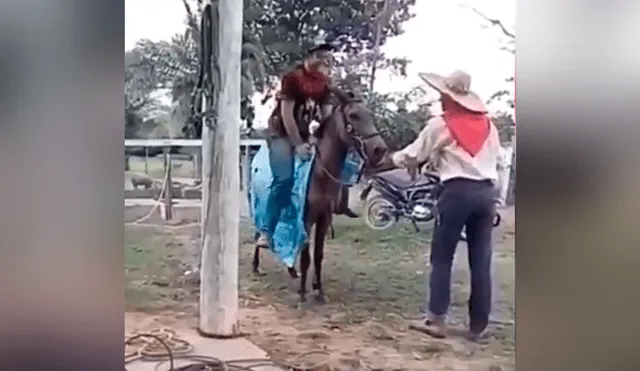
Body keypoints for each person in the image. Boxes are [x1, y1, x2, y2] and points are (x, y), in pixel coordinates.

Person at [391, 70, 501, 341]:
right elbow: (496, 160)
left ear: (449, 97)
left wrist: (395, 159)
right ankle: (478, 325)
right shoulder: (489, 125)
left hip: (456, 193)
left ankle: (436, 319)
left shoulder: (441, 124)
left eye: (442, 94)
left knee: (442, 257)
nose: (440, 98)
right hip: (487, 194)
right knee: (481, 258)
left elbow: (414, 154)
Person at [256, 42, 356, 249]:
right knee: (283, 178)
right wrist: (299, 144)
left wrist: (318, 130)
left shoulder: (325, 83)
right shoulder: (292, 79)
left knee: (338, 164)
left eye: (328, 57)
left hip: (305, 133)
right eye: (321, 56)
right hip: (283, 134)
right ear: (309, 58)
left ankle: (333, 208)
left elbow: (326, 114)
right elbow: (287, 115)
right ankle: (267, 229)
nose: (326, 60)